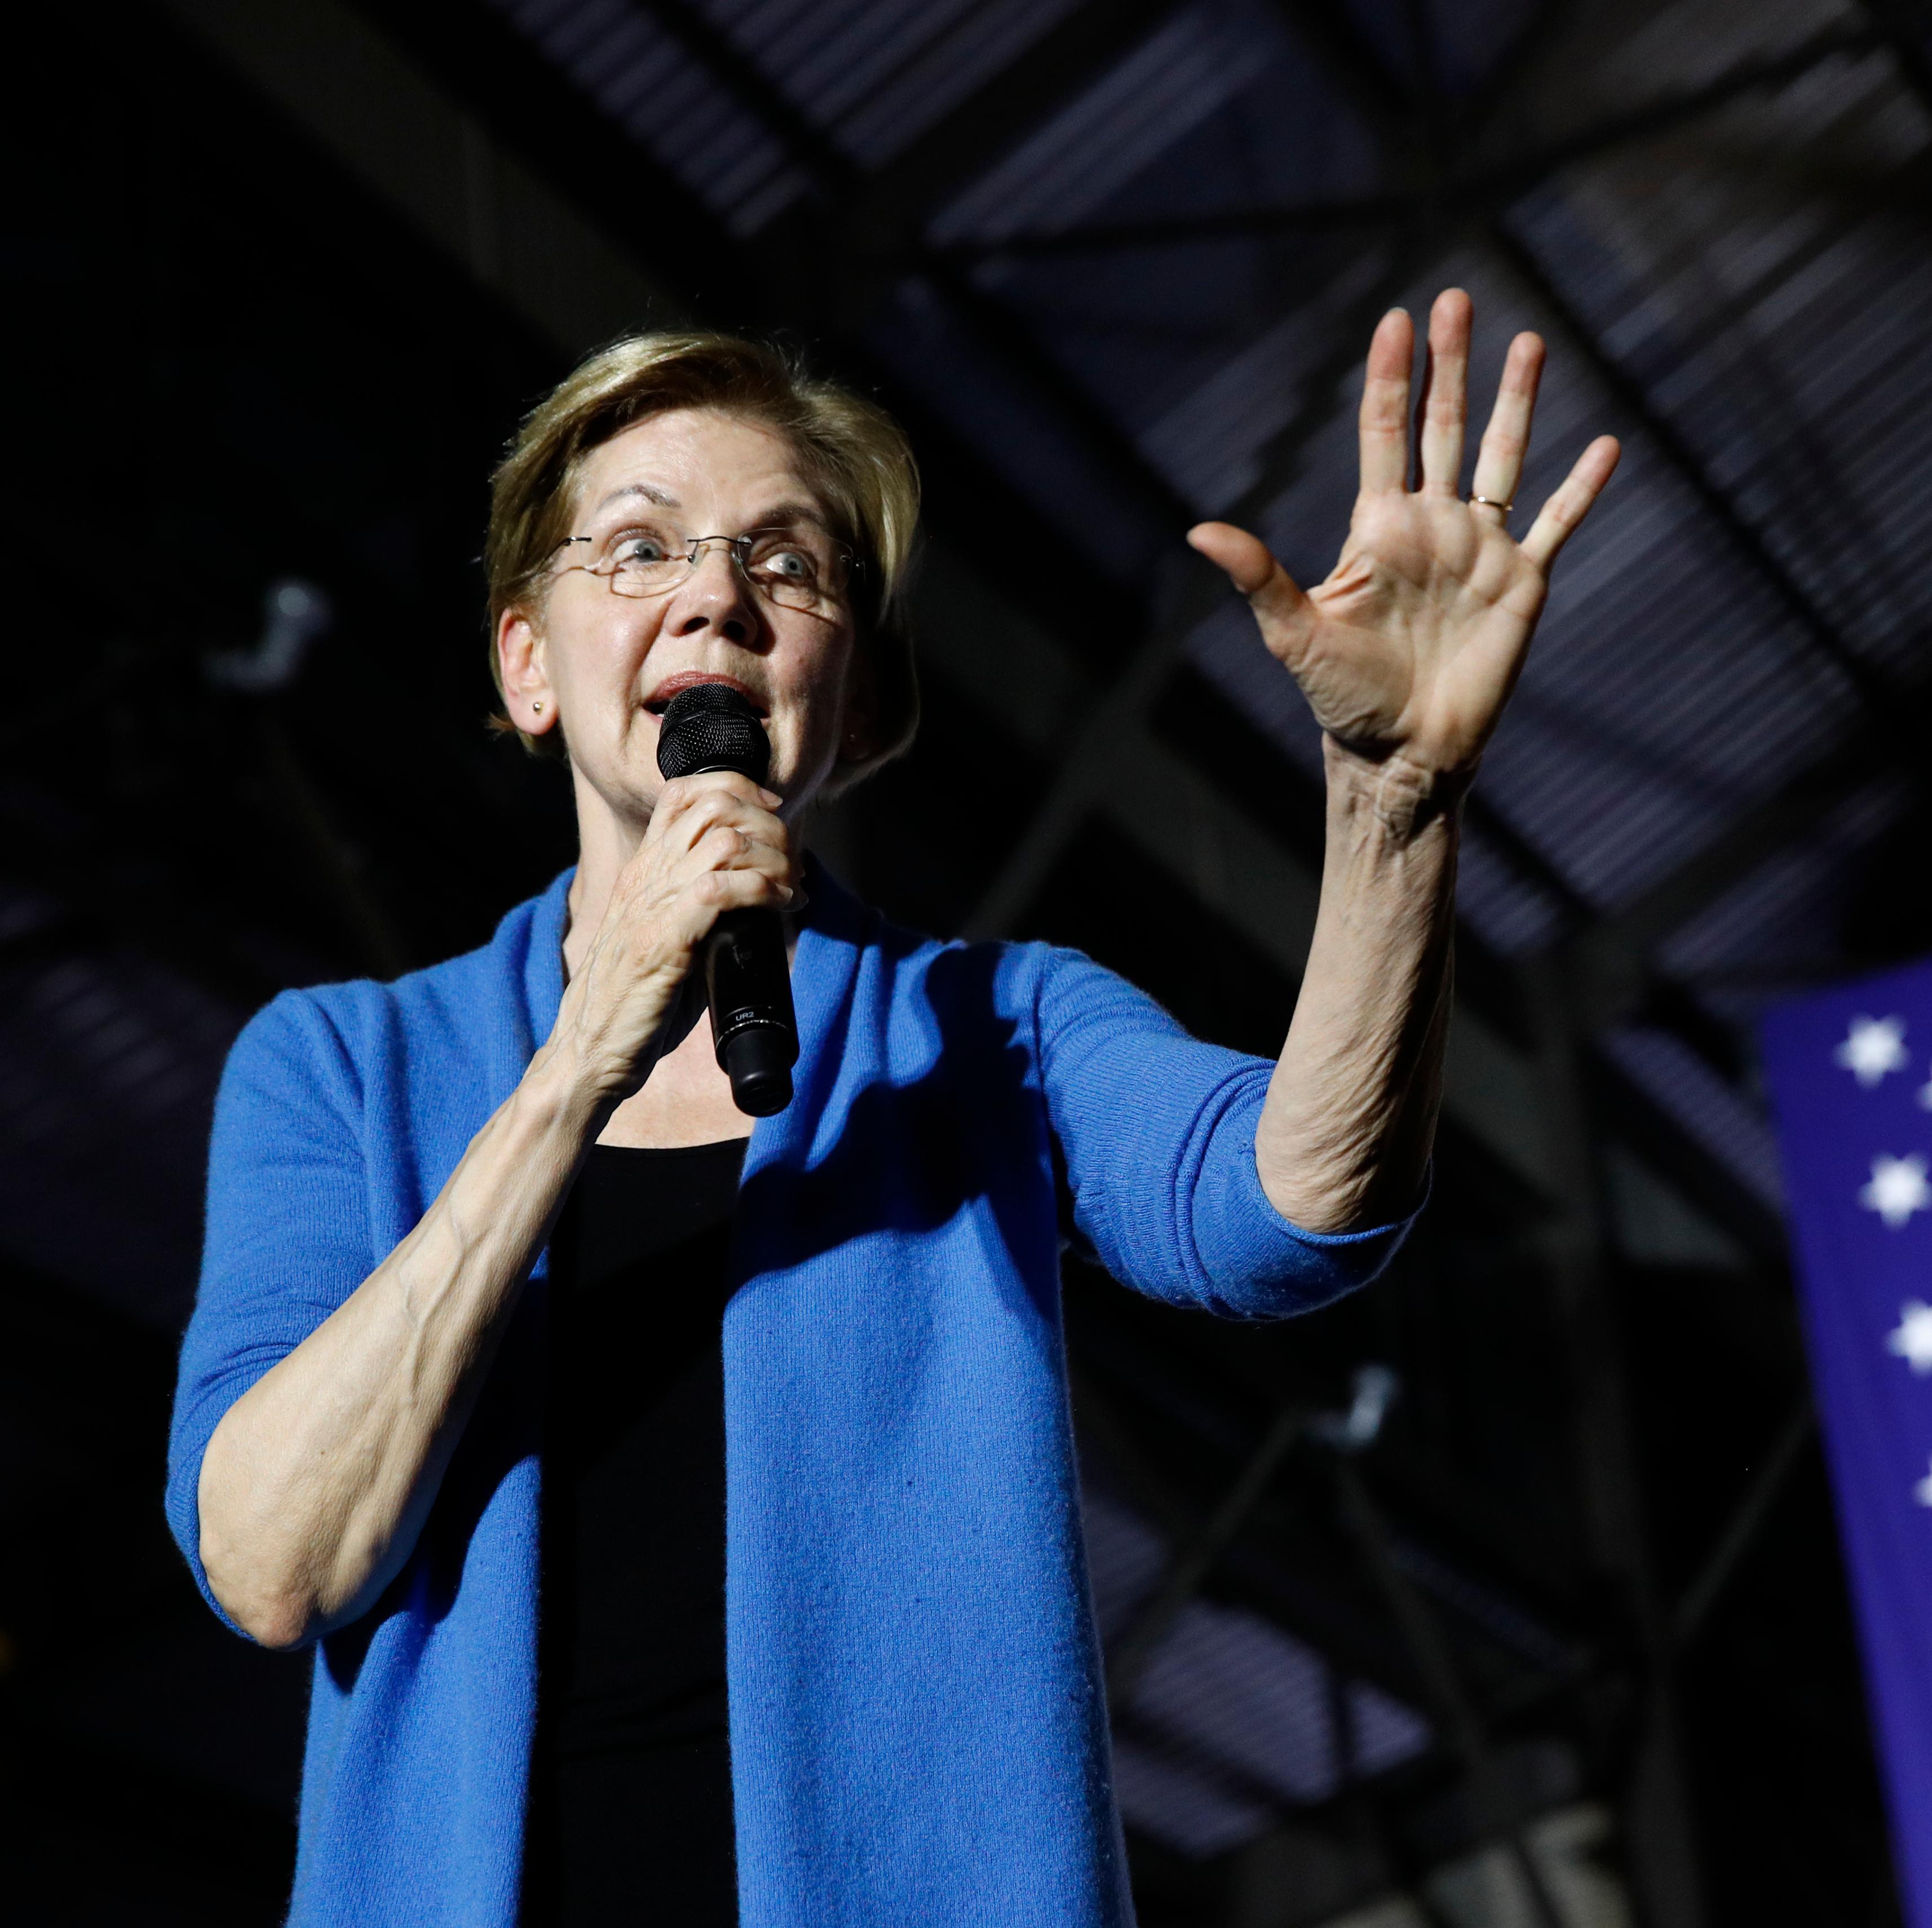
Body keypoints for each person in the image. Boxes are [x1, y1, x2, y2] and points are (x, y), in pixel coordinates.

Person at [163, 293, 1618, 1928]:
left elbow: (1296, 1210)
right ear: (527, 663)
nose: (716, 595)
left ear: (850, 703)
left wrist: (1397, 805)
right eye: (638, 550)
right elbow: (273, 1560)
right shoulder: (341, 1067)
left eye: (786, 564)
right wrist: (583, 1057)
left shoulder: (992, 1023)